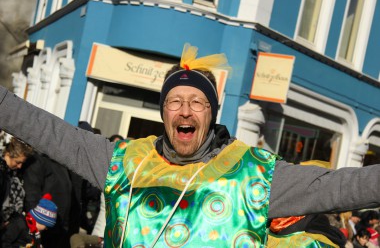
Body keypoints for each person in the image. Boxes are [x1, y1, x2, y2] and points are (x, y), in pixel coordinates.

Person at [0, 43, 380, 247]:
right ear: (164, 112)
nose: (185, 110)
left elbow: (339, 187)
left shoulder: (254, 175)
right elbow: (47, 131)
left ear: (211, 113)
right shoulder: (123, 162)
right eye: (175, 101)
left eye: (197, 102)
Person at [23, 152, 73, 248]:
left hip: (59, 225)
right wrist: (34, 225)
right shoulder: (38, 160)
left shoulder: (59, 161)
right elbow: (32, 194)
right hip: (43, 224)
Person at [0, 137, 34, 235]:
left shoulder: (11, 174)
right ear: (8, 154)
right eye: (18, 162)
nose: (20, 166)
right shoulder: (3, 174)